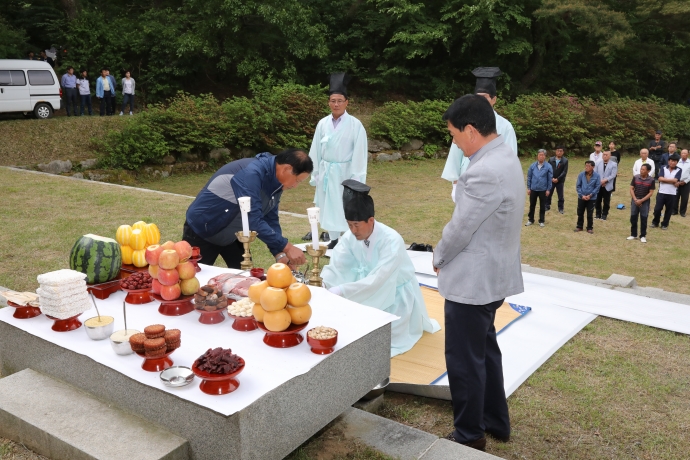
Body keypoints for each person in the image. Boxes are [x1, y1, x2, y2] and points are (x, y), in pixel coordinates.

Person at [433, 94, 525, 452]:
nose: (454, 141)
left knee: (463, 360)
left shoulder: (483, 170)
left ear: (471, 131)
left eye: (454, 134)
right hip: (493, 275)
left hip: (473, 281)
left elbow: (461, 228)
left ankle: (470, 433)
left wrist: (439, 256)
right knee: (485, 350)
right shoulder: (505, 155)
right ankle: (495, 420)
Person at [321, 180, 440, 357]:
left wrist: (342, 290)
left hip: (394, 294)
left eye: (356, 225)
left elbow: (379, 278)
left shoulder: (392, 240)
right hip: (363, 289)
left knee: (382, 339)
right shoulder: (350, 236)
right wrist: (325, 285)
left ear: (371, 221)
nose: (353, 230)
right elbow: (338, 264)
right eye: (349, 225)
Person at [183, 149, 312, 269]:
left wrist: (279, 253)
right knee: (193, 280)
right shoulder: (251, 174)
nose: (295, 186)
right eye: (297, 180)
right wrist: (287, 247)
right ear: (287, 169)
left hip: (233, 234)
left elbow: (270, 218)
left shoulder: (276, 181)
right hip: (203, 230)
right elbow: (253, 219)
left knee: (244, 280)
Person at [308, 73, 368, 249]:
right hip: (327, 170)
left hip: (345, 171)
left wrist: (357, 178)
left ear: (346, 102)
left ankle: (349, 236)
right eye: (333, 100)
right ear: (329, 102)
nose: (336, 104)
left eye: (340, 100)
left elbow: (359, 153)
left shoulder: (355, 125)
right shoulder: (322, 124)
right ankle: (334, 237)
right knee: (328, 203)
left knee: (345, 204)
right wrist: (316, 172)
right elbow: (316, 150)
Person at [442, 67, 518, 202]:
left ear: (494, 99)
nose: (481, 102)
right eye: (478, 98)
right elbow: (456, 153)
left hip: (493, 184)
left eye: (485, 98)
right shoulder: (465, 122)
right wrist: (455, 183)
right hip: (466, 179)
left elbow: (510, 160)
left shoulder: (505, 126)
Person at [651, 154, 681, 230]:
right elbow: (660, 179)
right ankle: (655, 222)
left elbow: (676, 180)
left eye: (674, 161)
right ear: (668, 161)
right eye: (671, 161)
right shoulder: (663, 168)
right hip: (661, 192)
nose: (673, 163)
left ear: (677, 162)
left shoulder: (679, 170)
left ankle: (664, 224)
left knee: (669, 210)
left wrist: (665, 180)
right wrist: (671, 181)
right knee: (657, 209)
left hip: (672, 193)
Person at [627, 164, 655, 243]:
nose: (641, 171)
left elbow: (651, 192)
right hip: (635, 200)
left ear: (648, 171)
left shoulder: (651, 180)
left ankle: (643, 235)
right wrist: (635, 199)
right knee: (633, 217)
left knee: (643, 218)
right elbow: (631, 189)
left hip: (645, 201)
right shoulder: (636, 177)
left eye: (643, 169)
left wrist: (641, 200)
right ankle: (633, 234)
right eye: (641, 169)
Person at [525, 149, 552, 227]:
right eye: (540, 155)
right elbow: (529, 177)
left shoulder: (548, 166)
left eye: (543, 155)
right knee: (532, 205)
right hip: (533, 189)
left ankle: (541, 220)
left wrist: (548, 189)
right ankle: (530, 219)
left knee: (542, 205)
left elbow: (549, 179)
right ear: (537, 156)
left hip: (543, 189)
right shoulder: (532, 166)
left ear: (545, 156)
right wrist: (529, 188)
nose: (541, 156)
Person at [574, 161, 600, 234]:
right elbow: (578, 186)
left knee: (590, 213)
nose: (586, 167)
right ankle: (579, 226)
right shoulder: (581, 175)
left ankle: (589, 228)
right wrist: (582, 195)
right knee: (580, 212)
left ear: (593, 167)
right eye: (585, 165)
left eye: (588, 166)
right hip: (581, 197)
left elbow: (597, 187)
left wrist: (590, 195)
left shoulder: (597, 176)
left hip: (591, 198)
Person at [593, 151, 618, 220]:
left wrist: (605, 180)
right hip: (599, 185)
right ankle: (598, 214)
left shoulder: (614, 164)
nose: (605, 156)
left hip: (608, 185)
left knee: (606, 201)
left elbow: (613, 175)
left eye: (606, 155)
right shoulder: (598, 163)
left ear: (610, 156)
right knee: (597, 200)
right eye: (604, 155)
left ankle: (604, 215)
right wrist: (600, 181)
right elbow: (595, 173)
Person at [547, 146, 568, 213]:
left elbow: (564, 172)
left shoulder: (565, 161)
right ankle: (547, 206)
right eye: (558, 151)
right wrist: (551, 178)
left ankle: (561, 208)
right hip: (551, 180)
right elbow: (548, 170)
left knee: (560, 195)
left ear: (563, 152)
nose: (559, 152)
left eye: (561, 151)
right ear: (556, 151)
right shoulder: (551, 159)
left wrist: (558, 179)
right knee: (548, 194)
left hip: (560, 181)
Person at [674, 149, 690, 217]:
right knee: (675, 197)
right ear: (680, 154)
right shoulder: (677, 162)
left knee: (685, 198)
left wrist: (685, 181)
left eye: (685, 153)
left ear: (688, 154)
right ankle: (674, 210)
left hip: (686, 182)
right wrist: (676, 181)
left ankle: (682, 212)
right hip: (677, 182)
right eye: (682, 153)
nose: (683, 154)